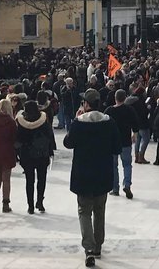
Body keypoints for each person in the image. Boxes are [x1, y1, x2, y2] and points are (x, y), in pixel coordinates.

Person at [64, 88, 121, 268]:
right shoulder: (109, 122)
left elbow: (68, 142)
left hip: (83, 174)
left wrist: (75, 119)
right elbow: (117, 148)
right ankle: (98, 246)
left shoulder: (79, 123)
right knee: (99, 210)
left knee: (84, 211)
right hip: (102, 173)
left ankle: (88, 249)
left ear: (86, 105)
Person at [16, 99, 56, 214]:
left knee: (29, 181)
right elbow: (49, 136)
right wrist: (51, 151)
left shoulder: (22, 122)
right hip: (42, 154)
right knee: (41, 179)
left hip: (27, 155)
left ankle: (30, 206)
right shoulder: (43, 120)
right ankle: (40, 202)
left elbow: (18, 139)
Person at [104, 89, 138, 198]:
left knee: (113, 166)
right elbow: (136, 124)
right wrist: (135, 134)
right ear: (125, 98)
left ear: (115, 98)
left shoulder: (109, 111)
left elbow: (103, 124)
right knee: (127, 164)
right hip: (125, 141)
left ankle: (115, 188)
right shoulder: (130, 109)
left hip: (112, 142)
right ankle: (127, 184)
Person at [126, 86, 151, 164]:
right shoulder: (140, 101)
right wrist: (148, 108)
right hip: (143, 122)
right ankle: (141, 156)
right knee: (146, 139)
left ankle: (136, 156)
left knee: (138, 140)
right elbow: (143, 112)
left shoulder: (131, 100)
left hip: (135, 123)